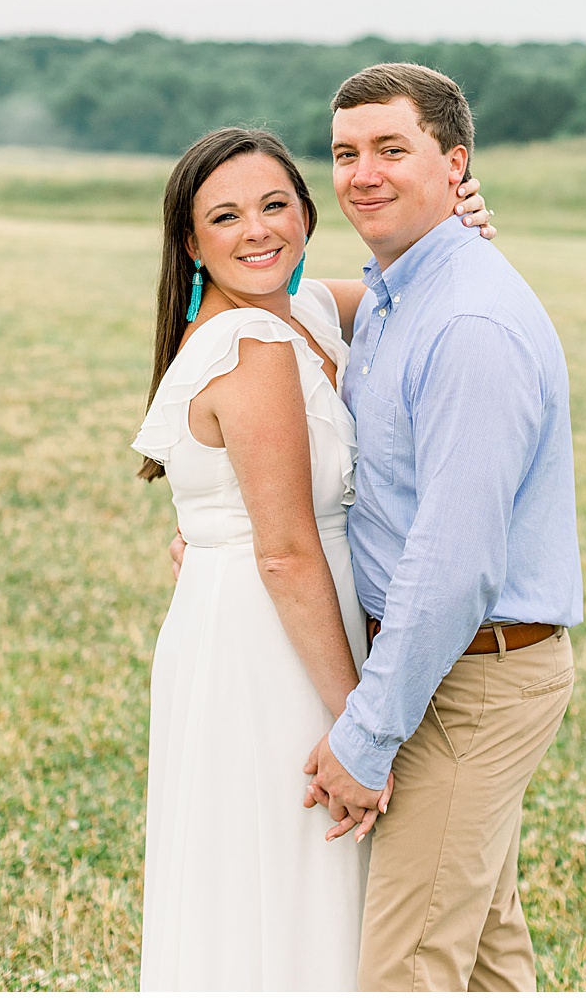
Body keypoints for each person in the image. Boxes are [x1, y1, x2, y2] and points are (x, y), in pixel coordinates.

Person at [130, 125, 498, 989]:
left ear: (305, 212)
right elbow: (289, 553)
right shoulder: (248, 347)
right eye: (225, 217)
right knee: (285, 867)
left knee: (289, 871)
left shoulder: (296, 313)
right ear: (191, 242)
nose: (257, 231)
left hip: (279, 619)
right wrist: (359, 729)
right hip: (273, 641)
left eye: (274, 205)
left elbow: (414, 292)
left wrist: (464, 220)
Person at [305, 64, 582, 991]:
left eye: (392, 149)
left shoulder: (466, 320)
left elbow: (455, 564)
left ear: (453, 162)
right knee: (483, 956)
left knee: (406, 970)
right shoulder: (399, 291)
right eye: (346, 154)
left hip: (471, 678)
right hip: (447, 666)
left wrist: (366, 734)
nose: (362, 174)